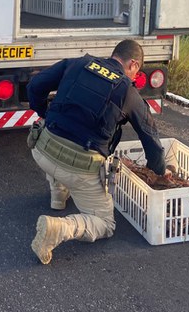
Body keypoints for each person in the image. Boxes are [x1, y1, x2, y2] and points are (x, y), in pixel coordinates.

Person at [26, 39, 169, 264]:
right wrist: (158, 173)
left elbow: (35, 86)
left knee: (64, 130)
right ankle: (59, 228)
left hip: (42, 151)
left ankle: (58, 194)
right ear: (132, 64)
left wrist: (44, 112)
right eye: (137, 72)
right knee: (105, 223)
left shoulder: (77, 64)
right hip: (78, 169)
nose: (134, 78)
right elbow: (152, 142)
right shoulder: (128, 92)